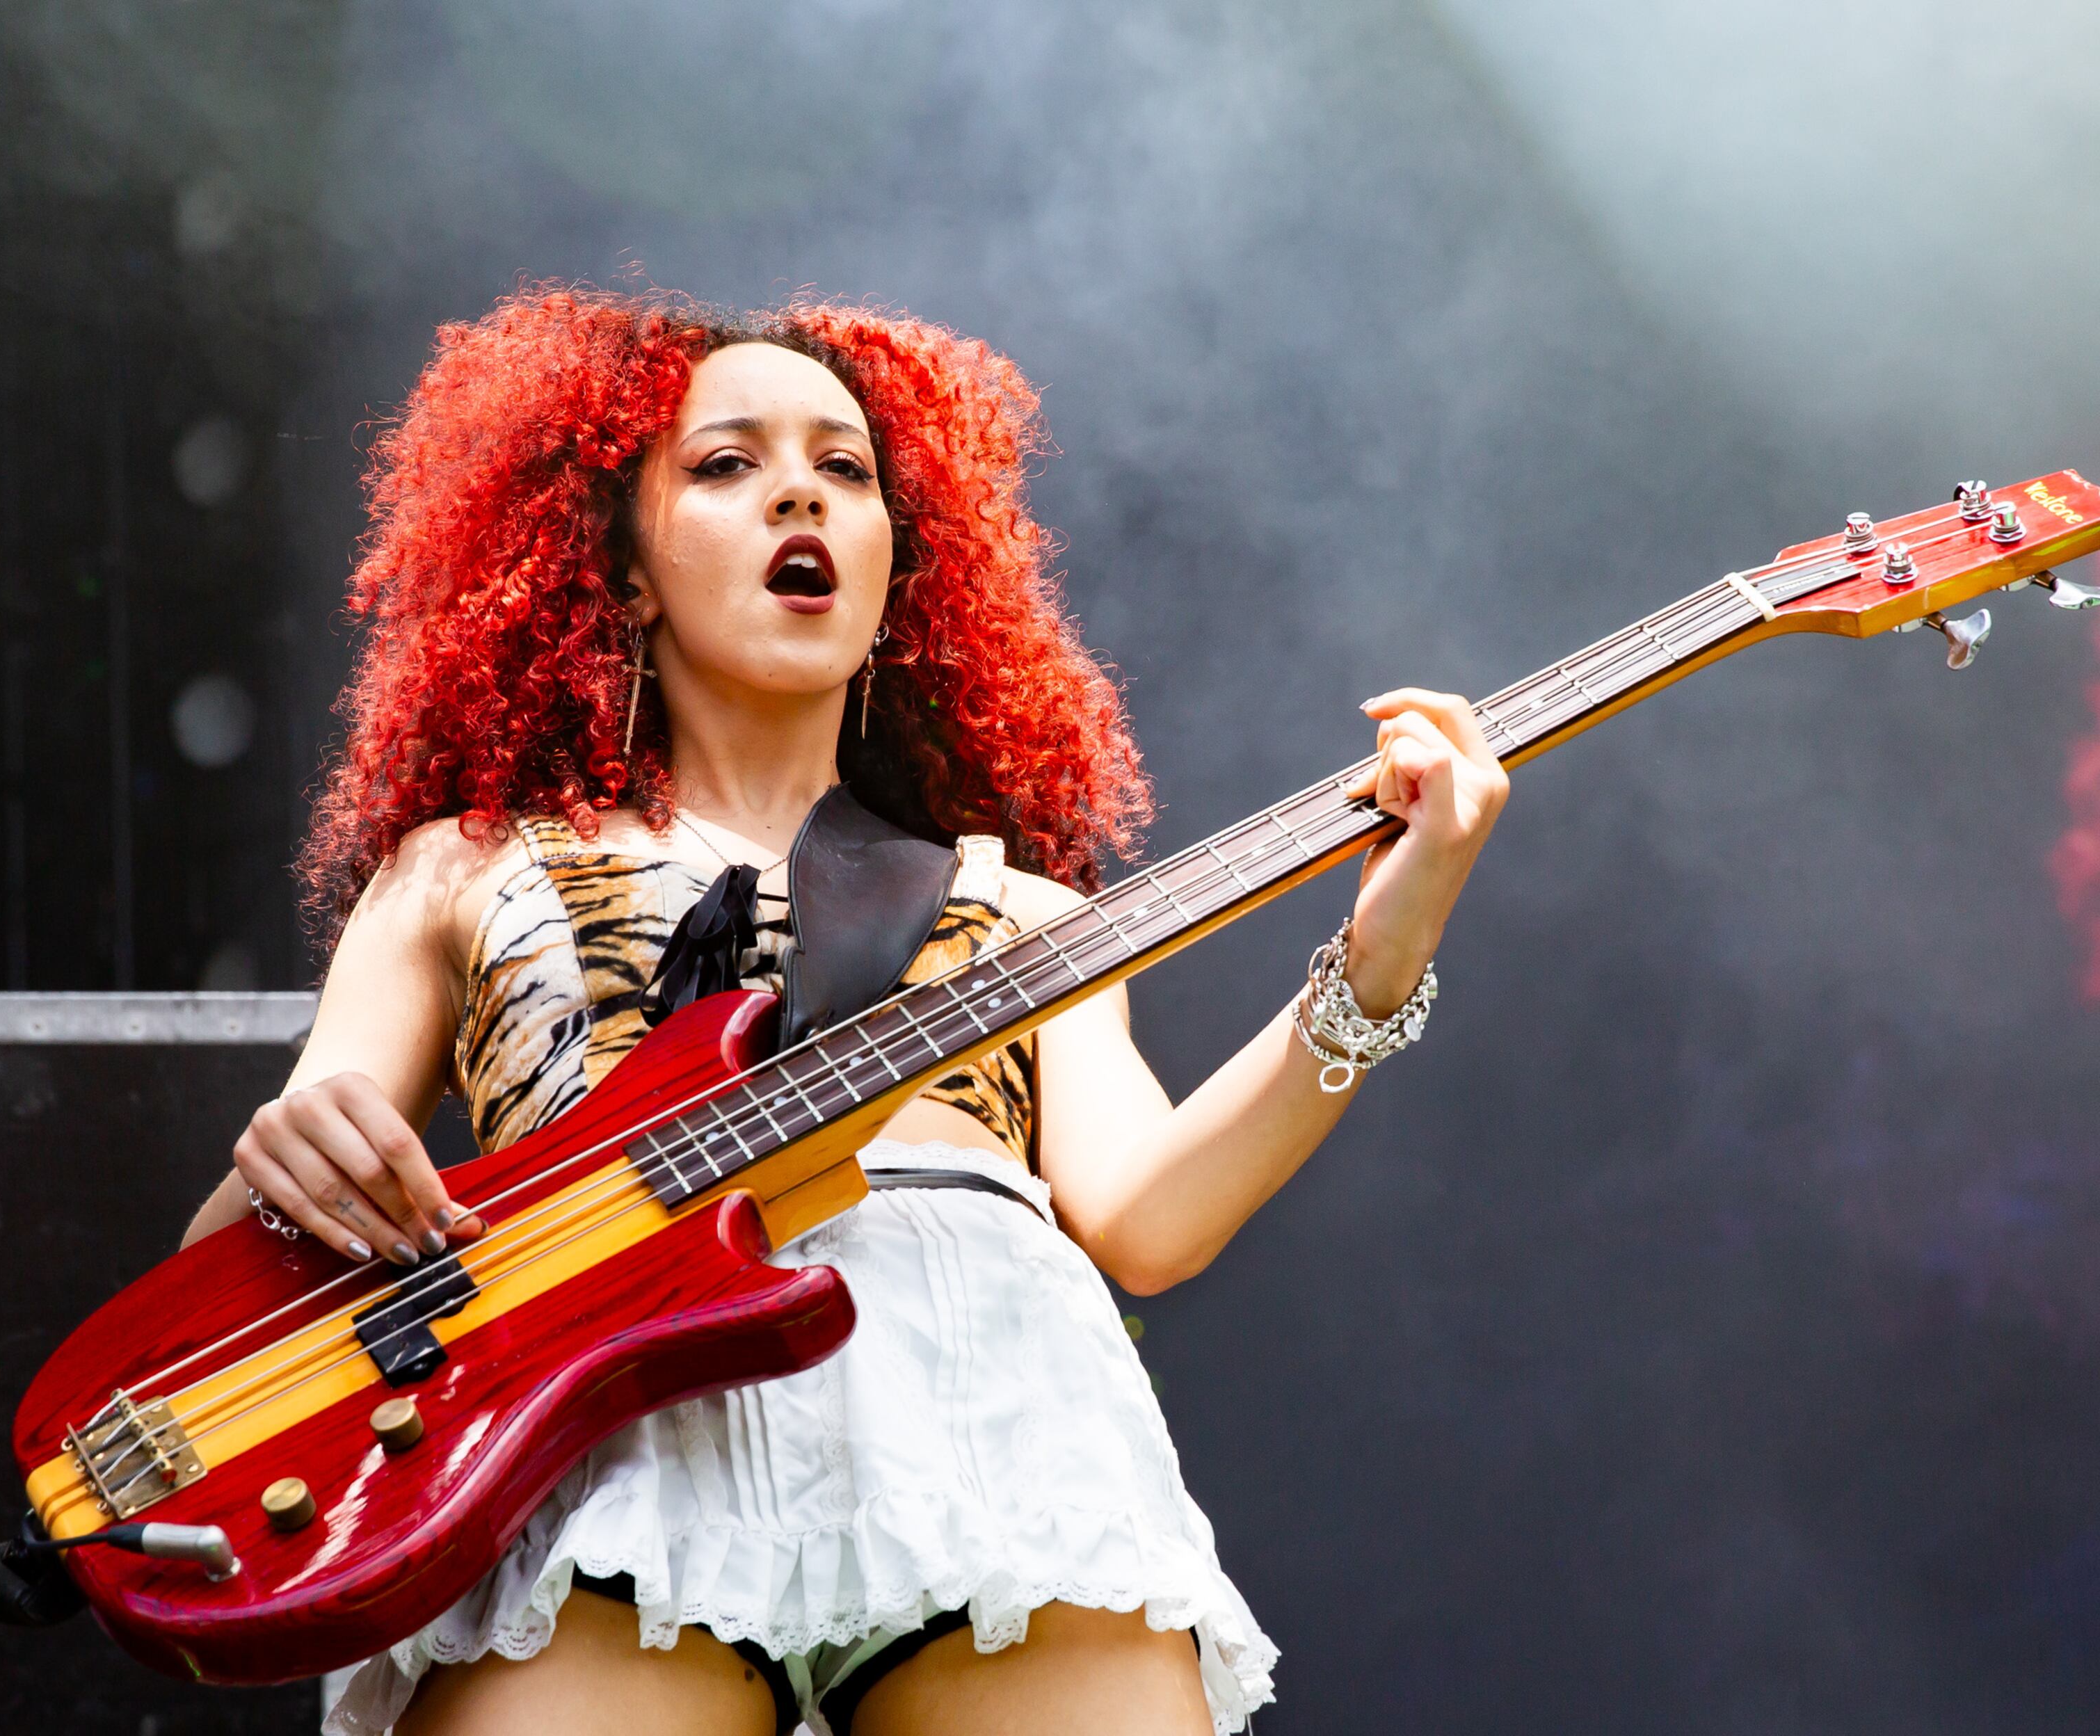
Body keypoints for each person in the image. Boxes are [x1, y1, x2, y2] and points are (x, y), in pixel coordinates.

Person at [180, 289, 1509, 1736]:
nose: (800, 486)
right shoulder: (464, 867)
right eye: (725, 463)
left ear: (892, 575)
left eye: (848, 467)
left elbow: (1149, 1219)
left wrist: (1380, 960)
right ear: (622, 572)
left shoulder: (1024, 910)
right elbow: (214, 1305)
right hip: (596, 1436)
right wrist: (294, 1169)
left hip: (987, 1424)